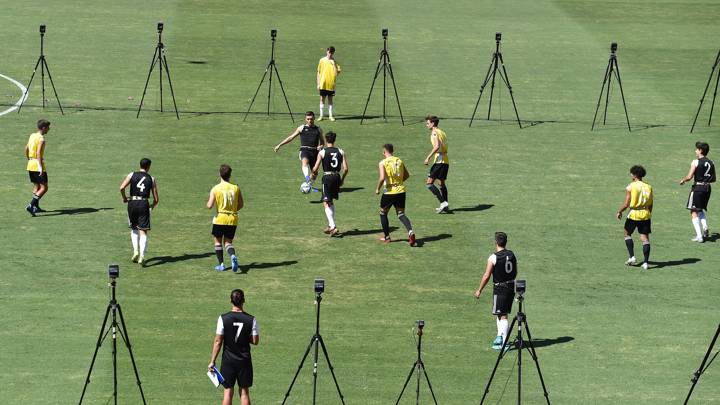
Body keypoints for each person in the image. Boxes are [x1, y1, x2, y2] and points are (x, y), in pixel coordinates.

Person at [209, 289, 259, 405]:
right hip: (244, 360)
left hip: (228, 361)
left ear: (230, 301)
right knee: (244, 392)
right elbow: (255, 341)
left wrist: (212, 361)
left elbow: (218, 341)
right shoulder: (251, 319)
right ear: (244, 301)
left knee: (227, 391)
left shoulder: (223, 318)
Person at [473, 232, 517, 350]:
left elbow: (486, 275)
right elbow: (515, 271)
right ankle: (499, 337)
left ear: (496, 242)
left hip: (500, 288)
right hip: (511, 286)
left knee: (502, 315)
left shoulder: (493, 257)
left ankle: (504, 341)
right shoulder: (512, 254)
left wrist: (479, 290)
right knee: (501, 313)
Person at [120, 158, 159, 266]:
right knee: (143, 231)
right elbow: (156, 199)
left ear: (140, 165)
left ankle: (135, 251)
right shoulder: (151, 178)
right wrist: (152, 206)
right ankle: (142, 256)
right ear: (149, 166)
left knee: (133, 228)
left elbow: (122, 187)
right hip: (144, 204)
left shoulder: (132, 174)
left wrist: (124, 198)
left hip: (132, 203)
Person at [375, 143, 416, 246]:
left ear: (384, 152)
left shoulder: (383, 162)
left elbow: (381, 177)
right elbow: (407, 175)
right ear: (392, 151)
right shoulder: (399, 160)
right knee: (401, 214)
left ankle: (387, 237)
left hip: (389, 192)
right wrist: (399, 182)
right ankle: (410, 232)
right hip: (401, 191)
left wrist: (377, 189)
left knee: (383, 213)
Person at [274, 111, 326, 188]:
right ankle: (307, 178)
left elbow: (322, 141)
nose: (310, 121)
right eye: (308, 119)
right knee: (304, 162)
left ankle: (309, 185)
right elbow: (291, 137)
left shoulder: (318, 129)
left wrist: (321, 146)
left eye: (311, 119)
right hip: (304, 150)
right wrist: (279, 145)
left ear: (314, 118)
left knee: (315, 172)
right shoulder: (301, 128)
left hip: (315, 152)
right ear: (305, 119)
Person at [207, 164, 244, 272]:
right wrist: (232, 210)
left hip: (220, 218)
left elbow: (209, 205)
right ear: (230, 175)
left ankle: (221, 264)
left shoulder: (215, 188)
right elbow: (241, 204)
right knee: (228, 242)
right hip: (232, 219)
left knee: (218, 242)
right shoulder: (236, 188)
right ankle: (232, 256)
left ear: (220, 174)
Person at [616, 165, 653, 270]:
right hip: (645, 214)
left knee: (627, 233)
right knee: (645, 238)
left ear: (635, 175)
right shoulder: (648, 187)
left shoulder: (631, 186)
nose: (630, 175)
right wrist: (648, 214)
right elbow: (651, 203)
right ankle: (645, 263)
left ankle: (632, 257)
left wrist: (619, 211)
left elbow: (627, 203)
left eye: (631, 173)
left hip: (634, 214)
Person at [311, 131, 348, 235]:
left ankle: (333, 226)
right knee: (330, 201)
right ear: (334, 139)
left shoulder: (322, 152)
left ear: (326, 140)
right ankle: (330, 225)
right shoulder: (341, 151)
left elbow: (315, 168)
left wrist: (312, 174)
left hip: (327, 177)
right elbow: (345, 169)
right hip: (337, 176)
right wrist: (342, 180)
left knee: (326, 202)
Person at [680, 141, 715, 242]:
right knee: (700, 209)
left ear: (700, 150)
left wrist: (683, 180)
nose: (695, 151)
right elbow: (713, 179)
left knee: (693, 210)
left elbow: (689, 176)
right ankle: (705, 226)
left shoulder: (695, 162)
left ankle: (699, 236)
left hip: (698, 188)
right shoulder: (711, 162)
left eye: (696, 149)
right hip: (707, 188)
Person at [422, 115, 449, 213]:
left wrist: (428, 157)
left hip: (439, 161)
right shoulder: (442, 132)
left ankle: (443, 202)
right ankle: (446, 206)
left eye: (428, 123)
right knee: (441, 184)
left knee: (429, 184)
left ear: (433, 123)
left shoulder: (434, 132)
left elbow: (437, 146)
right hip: (445, 161)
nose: (427, 125)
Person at [24, 119, 51, 216]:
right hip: (37, 165)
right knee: (44, 188)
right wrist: (40, 168)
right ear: (44, 128)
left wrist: (29, 158)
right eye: (48, 127)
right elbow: (39, 153)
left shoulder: (32, 135)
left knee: (37, 186)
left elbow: (26, 148)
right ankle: (31, 205)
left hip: (30, 164)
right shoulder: (41, 139)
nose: (49, 129)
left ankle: (36, 207)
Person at [316, 46, 341, 121]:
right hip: (323, 84)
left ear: (333, 53)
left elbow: (336, 73)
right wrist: (318, 83)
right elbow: (318, 72)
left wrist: (333, 64)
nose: (330, 54)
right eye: (329, 52)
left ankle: (330, 116)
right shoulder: (322, 60)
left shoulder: (335, 62)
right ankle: (321, 116)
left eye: (332, 52)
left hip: (331, 84)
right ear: (327, 51)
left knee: (330, 99)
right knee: (322, 99)